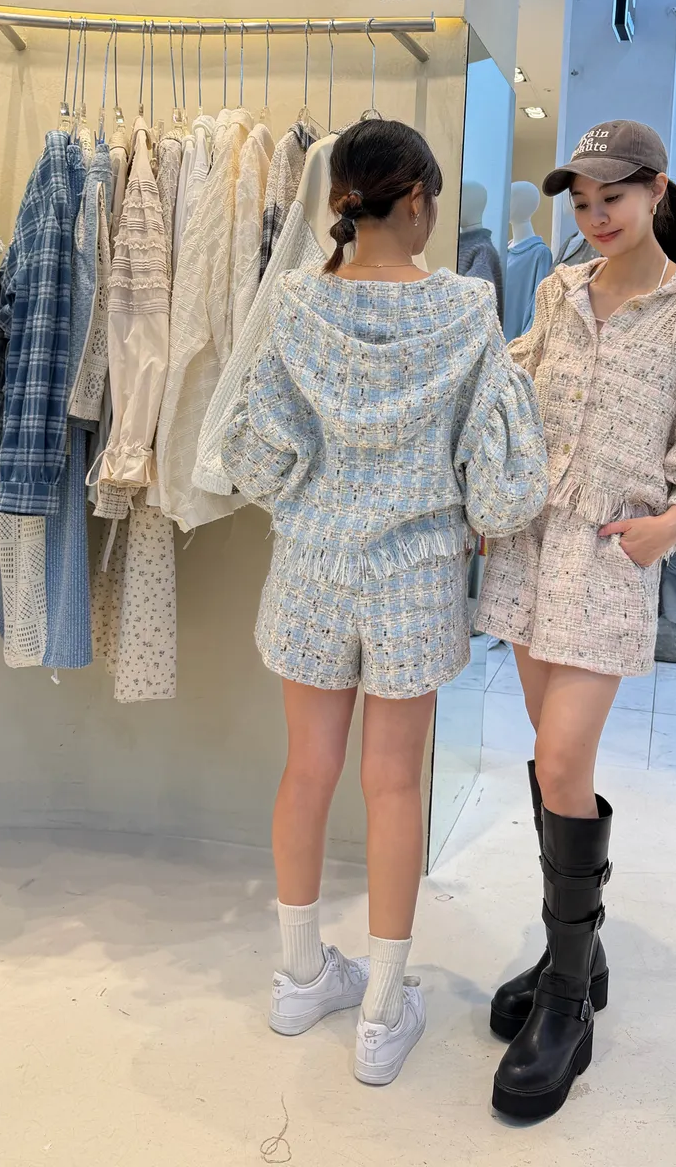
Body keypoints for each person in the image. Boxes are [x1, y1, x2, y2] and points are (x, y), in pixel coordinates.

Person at [221, 118, 548, 1088]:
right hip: (416, 575)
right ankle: (381, 1011)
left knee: (307, 768)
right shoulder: (467, 308)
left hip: (312, 566)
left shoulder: (295, 302)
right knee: (394, 783)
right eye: (432, 200)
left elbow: (254, 453)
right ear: (413, 200)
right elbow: (501, 484)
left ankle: (298, 978)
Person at [477, 119, 676, 1122]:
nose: (596, 216)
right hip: (529, 544)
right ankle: (578, 954)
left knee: (563, 762)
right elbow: (515, 397)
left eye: (613, 197)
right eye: (583, 201)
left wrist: (675, 524)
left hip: (607, 555)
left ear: (655, 191)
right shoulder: (559, 293)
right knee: (549, 756)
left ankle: (567, 1002)